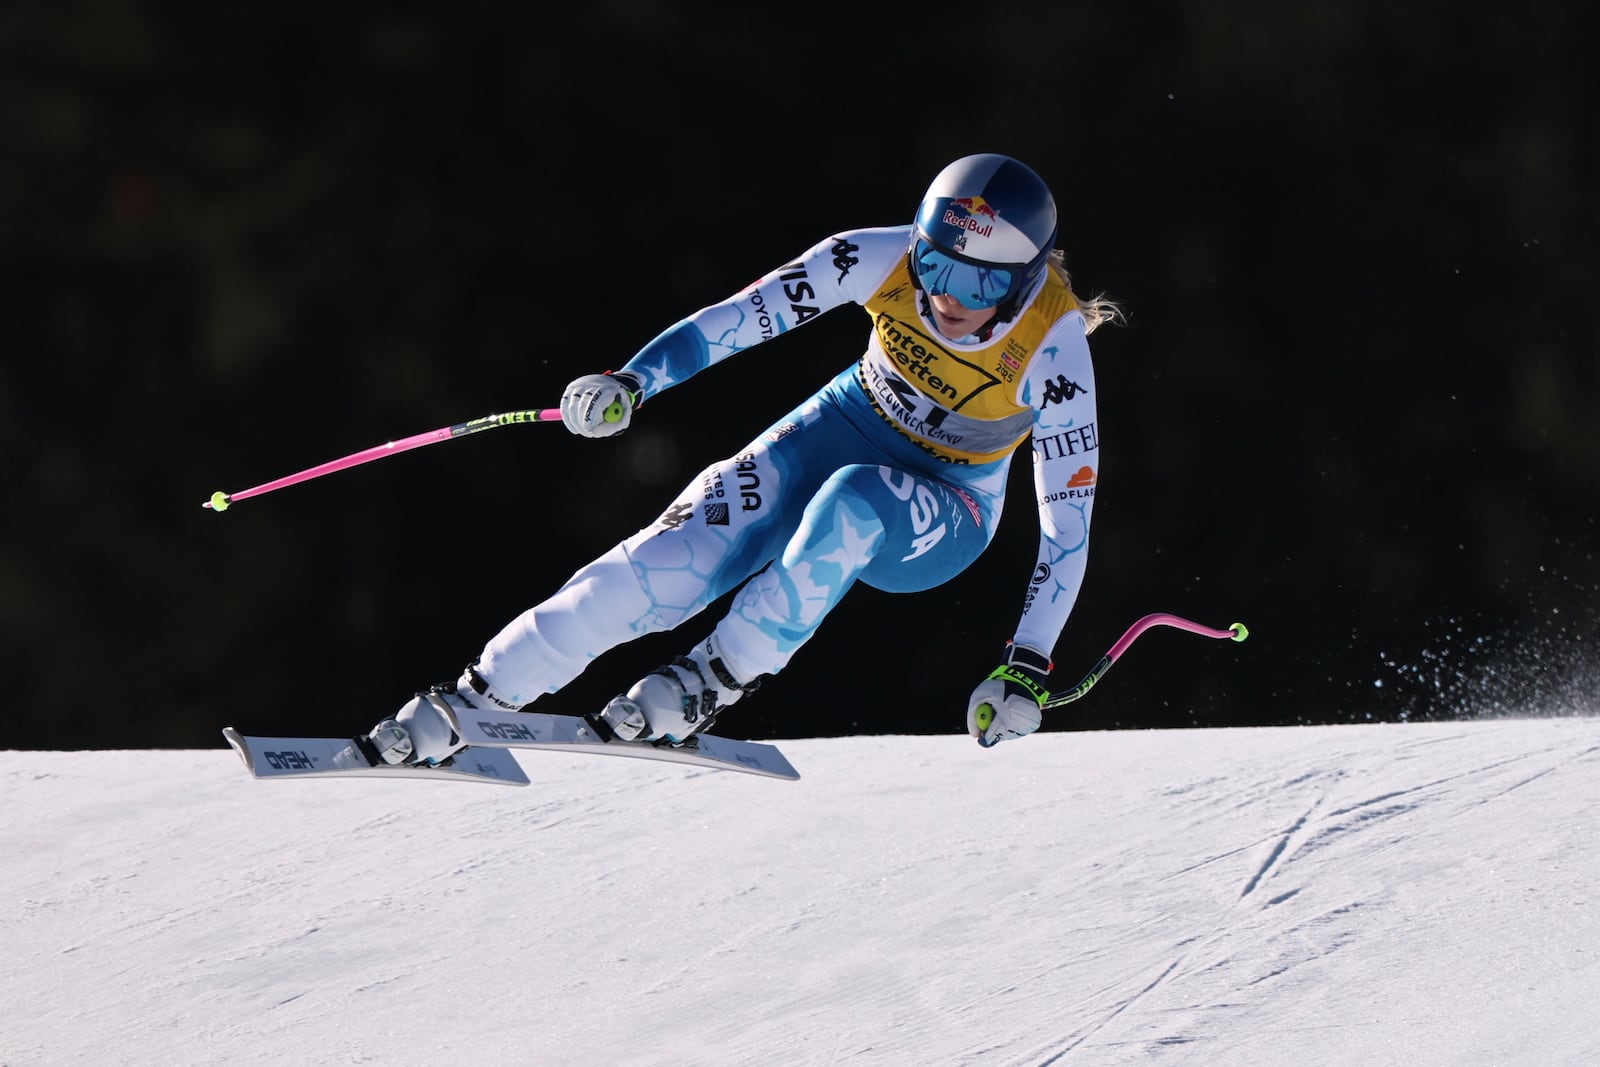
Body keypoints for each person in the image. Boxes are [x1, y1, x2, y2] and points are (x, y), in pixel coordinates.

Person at [366, 152, 1122, 766]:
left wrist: (1028, 661)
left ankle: (713, 676)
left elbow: (1067, 527)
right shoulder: (876, 257)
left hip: (948, 507)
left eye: (977, 281)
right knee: (673, 554)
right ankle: (476, 694)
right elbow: (739, 319)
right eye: (936, 265)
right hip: (844, 423)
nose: (946, 296)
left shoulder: (1052, 355)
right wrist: (635, 379)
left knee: (856, 502)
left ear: (1022, 285)